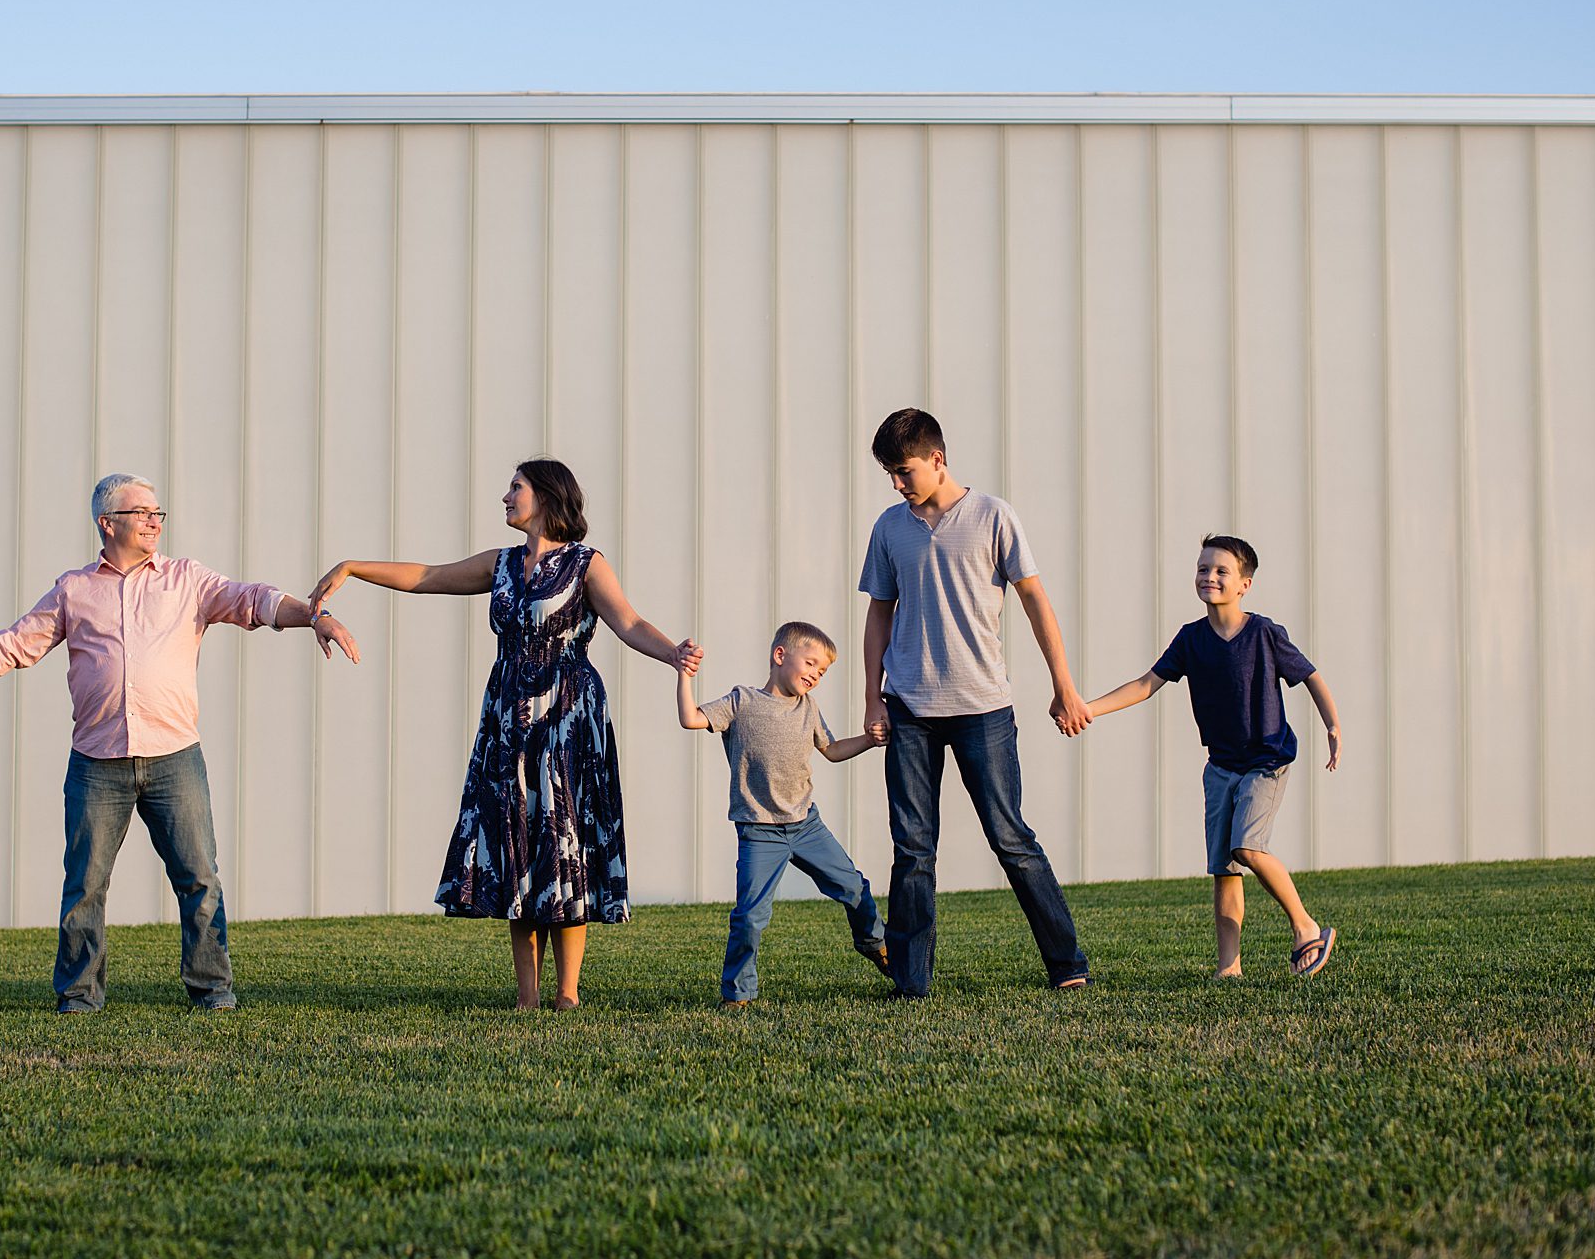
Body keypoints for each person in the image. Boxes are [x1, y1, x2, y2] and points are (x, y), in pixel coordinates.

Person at [0, 475, 359, 1013]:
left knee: (199, 878)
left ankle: (212, 991)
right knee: (84, 885)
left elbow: (254, 602)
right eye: (143, 512)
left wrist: (316, 614)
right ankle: (78, 996)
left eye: (158, 513)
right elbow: (12, 646)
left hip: (175, 758)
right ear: (108, 523)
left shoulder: (186, 580)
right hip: (96, 765)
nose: (155, 520)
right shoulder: (73, 590)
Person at [308, 458, 700, 1011]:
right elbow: (428, 577)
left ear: (546, 495)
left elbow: (629, 623)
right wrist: (352, 567)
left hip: (567, 715)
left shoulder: (587, 564)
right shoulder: (501, 565)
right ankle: (526, 996)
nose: (506, 496)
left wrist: (674, 656)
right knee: (517, 837)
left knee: (563, 837)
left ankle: (567, 993)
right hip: (508, 717)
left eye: (515, 487)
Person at [860, 407, 1093, 997]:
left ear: (938, 458)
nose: (896, 483)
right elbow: (878, 613)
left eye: (904, 470)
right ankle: (911, 983)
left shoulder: (993, 517)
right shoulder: (890, 528)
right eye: (889, 473)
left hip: (983, 708)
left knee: (1010, 838)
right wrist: (872, 697)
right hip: (909, 708)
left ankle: (1067, 965)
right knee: (912, 849)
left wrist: (1062, 684)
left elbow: (1036, 600)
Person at [1082, 534, 1342, 979]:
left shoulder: (1264, 634)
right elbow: (1147, 684)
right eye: (1203, 569)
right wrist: (1089, 708)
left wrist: (1332, 725)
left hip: (1266, 760)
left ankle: (1306, 928)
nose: (1210, 577)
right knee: (1224, 868)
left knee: (1247, 847)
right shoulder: (1191, 639)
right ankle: (1229, 967)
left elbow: (1311, 676)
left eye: (1222, 571)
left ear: (1245, 584)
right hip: (1221, 766)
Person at [674, 619, 888, 1008]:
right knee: (750, 916)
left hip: (807, 825)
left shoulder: (808, 708)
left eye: (822, 672)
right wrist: (683, 675)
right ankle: (738, 993)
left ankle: (876, 943)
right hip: (759, 831)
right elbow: (691, 719)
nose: (816, 676)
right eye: (811, 665)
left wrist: (869, 743)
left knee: (854, 886)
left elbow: (833, 750)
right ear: (780, 656)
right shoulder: (741, 702)